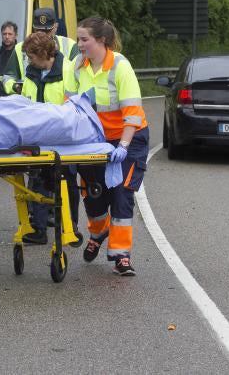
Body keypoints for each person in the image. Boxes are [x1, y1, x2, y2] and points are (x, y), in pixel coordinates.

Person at [64, 16, 149, 276]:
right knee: (94, 192)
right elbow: (70, 108)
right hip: (95, 141)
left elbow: (133, 113)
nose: (79, 44)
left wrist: (123, 145)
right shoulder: (76, 67)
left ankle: (121, 254)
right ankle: (99, 231)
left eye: (84, 39)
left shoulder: (120, 67)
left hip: (128, 138)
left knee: (122, 193)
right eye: (78, 39)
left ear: (101, 40)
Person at [18, 31, 82, 246]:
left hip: (63, 137)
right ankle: (38, 229)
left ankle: (70, 227)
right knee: (37, 183)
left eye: (31, 56)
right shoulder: (31, 73)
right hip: (38, 137)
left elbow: (72, 107)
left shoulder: (67, 71)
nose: (29, 60)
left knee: (67, 182)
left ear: (44, 53)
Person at [2, 8, 79, 95]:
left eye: (47, 31)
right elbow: (7, 77)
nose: (43, 35)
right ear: (34, 29)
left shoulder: (70, 46)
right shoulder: (20, 48)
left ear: (55, 27)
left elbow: (78, 79)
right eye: (39, 31)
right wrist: (15, 86)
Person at [0, 21, 18, 94]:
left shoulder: (21, 55)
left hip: (14, 99)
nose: (7, 37)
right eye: (4, 34)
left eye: (10, 34)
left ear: (16, 35)